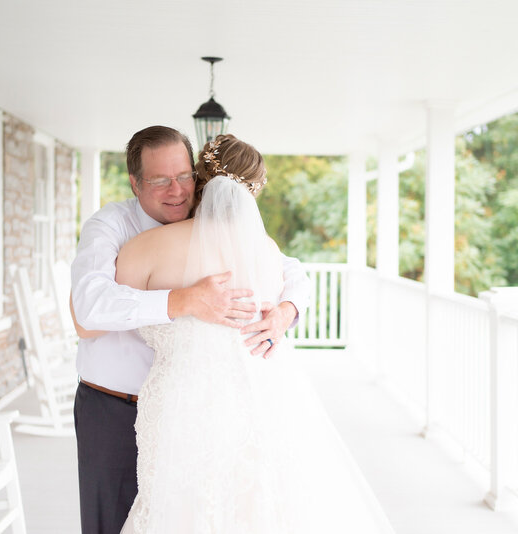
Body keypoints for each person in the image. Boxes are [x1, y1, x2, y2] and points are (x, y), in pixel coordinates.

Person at [116, 134, 395, 534]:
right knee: (252, 509)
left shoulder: (144, 248)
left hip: (182, 402)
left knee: (179, 508)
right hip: (261, 395)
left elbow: (93, 318)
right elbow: (294, 279)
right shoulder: (265, 251)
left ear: (199, 180)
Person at [70, 126, 309, 534]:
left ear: (200, 179)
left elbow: (292, 269)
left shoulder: (221, 230)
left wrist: (287, 309)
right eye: (159, 181)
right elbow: (87, 312)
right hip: (116, 405)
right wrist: (182, 300)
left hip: (200, 407)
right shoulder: (112, 226)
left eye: (184, 177)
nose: (176, 191)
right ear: (135, 182)